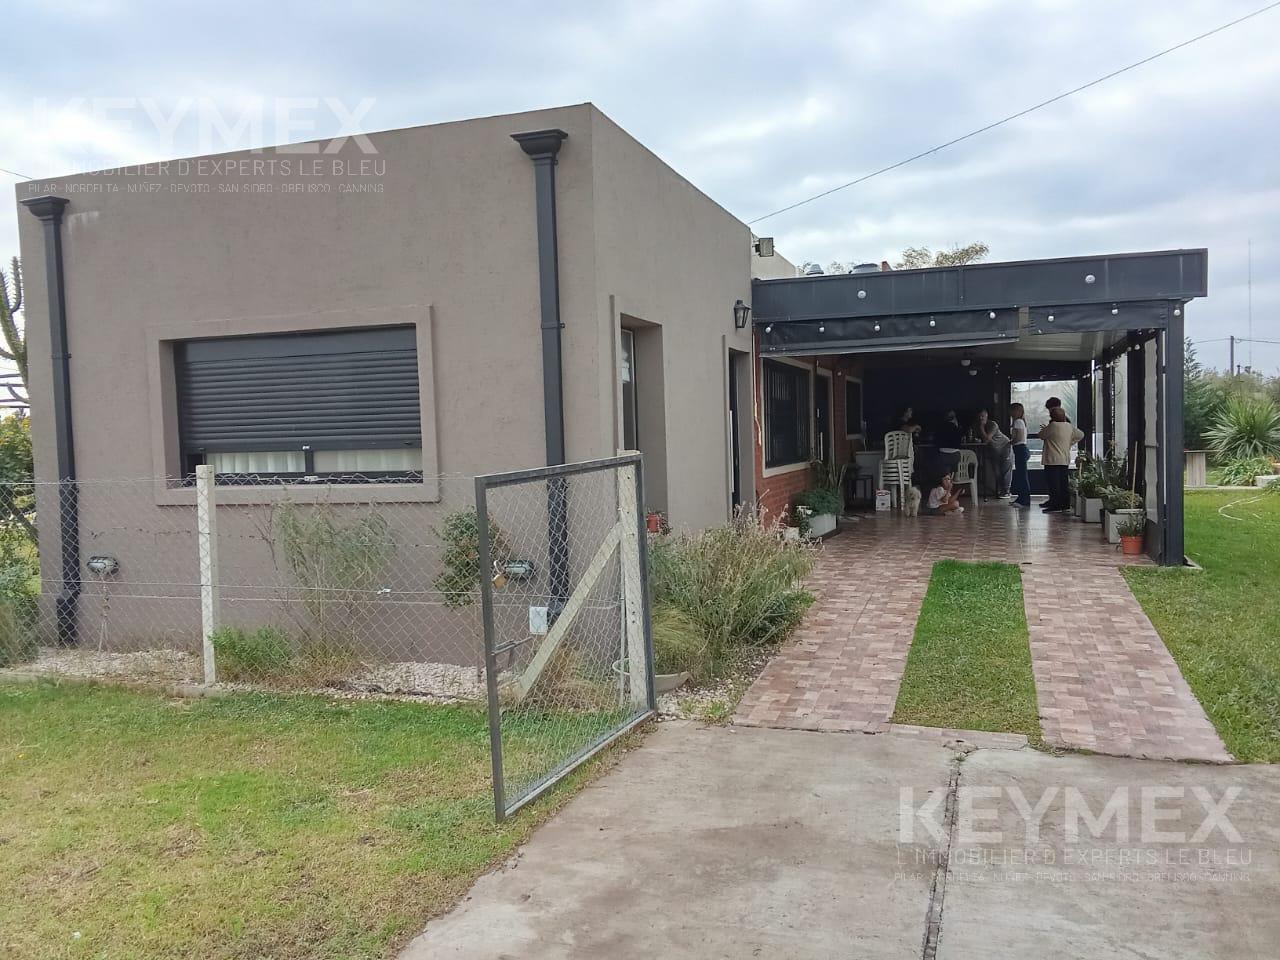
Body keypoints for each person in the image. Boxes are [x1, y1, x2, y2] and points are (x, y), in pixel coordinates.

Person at [1038, 406, 1084, 512]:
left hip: (1052, 459)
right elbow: (1081, 434)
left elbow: (1041, 435)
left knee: (1053, 483)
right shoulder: (1068, 426)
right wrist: (1070, 442)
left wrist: (1045, 428)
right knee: (1063, 483)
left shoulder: (1052, 425)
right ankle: (1064, 504)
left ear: (1052, 416)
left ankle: (1055, 505)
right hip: (1064, 458)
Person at [984, 417, 1014, 498]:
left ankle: (1006, 491)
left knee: (1006, 470)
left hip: (1005, 447)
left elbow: (987, 438)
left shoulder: (992, 424)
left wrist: (981, 427)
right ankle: (1001, 490)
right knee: (997, 471)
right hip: (994, 450)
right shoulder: (976, 425)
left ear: (987, 416)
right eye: (979, 416)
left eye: (983, 416)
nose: (981, 418)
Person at [1009, 403, 1031, 508]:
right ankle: (1021, 498)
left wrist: (1010, 442)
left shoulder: (1018, 422)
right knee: (1021, 475)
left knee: (1022, 475)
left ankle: (1024, 500)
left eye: (1012, 410)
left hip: (1020, 449)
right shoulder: (1020, 422)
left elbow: (1019, 437)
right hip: (1021, 449)